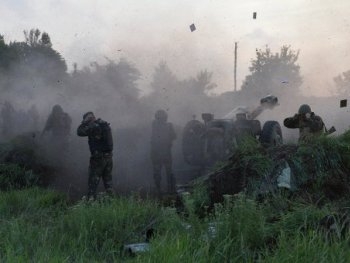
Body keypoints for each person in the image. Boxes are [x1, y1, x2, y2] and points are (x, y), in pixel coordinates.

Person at [77, 112, 114, 200]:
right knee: (108, 183)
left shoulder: (94, 126)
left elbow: (79, 132)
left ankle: (90, 202)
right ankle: (112, 201)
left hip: (98, 159)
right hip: (109, 158)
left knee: (93, 183)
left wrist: (84, 123)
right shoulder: (104, 124)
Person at [151, 109, 177, 196]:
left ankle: (160, 190)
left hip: (158, 153)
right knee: (167, 172)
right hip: (164, 153)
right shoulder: (168, 126)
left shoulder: (155, 125)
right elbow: (174, 136)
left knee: (159, 173)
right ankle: (169, 189)